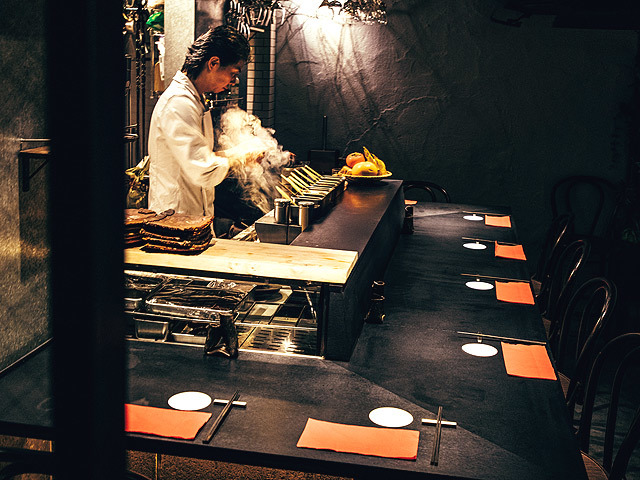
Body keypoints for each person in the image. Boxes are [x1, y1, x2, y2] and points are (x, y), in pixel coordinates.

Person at [147, 25, 263, 223]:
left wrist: (241, 152)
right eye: (233, 74)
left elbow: (202, 156)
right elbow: (203, 169)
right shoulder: (178, 103)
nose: (234, 81)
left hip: (193, 218)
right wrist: (241, 156)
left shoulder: (195, 99)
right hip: (174, 219)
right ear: (213, 63)